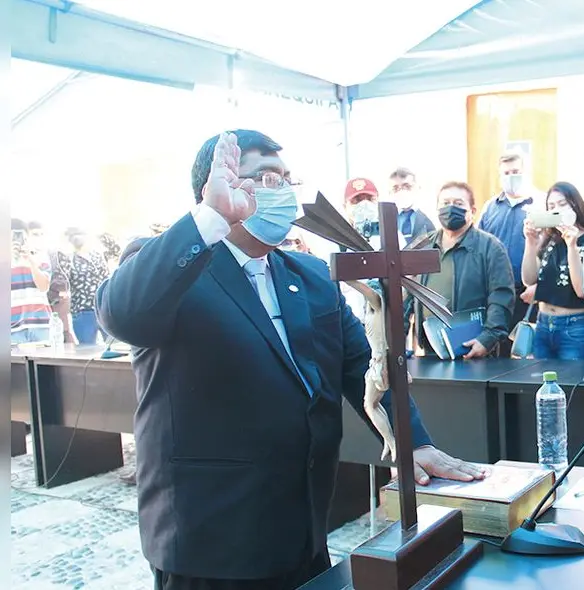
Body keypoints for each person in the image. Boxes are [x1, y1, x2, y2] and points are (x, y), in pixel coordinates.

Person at [96, 130, 485, 589]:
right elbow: (124, 314)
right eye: (264, 176)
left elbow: (359, 363)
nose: (280, 189)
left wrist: (411, 439)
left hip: (303, 533)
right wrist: (209, 220)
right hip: (210, 544)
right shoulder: (169, 263)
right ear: (214, 186)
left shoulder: (311, 275)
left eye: (286, 178)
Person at [405, 181, 516, 359]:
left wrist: (487, 339)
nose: (450, 208)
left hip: (474, 348)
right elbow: (407, 293)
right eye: (445, 203)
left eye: (458, 204)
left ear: (472, 211)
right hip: (430, 349)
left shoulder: (490, 247)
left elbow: (501, 296)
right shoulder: (422, 246)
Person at [519, 182, 584, 360]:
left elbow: (581, 290)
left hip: (576, 326)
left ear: (576, 205)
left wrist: (572, 246)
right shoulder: (550, 238)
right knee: (541, 383)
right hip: (543, 323)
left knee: (570, 382)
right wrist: (530, 242)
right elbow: (529, 279)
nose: (557, 210)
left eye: (563, 204)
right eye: (551, 206)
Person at [478, 151, 540, 332]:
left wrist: (540, 287)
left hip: (529, 294)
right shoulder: (490, 208)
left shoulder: (542, 204)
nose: (511, 177)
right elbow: (480, 246)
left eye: (516, 171)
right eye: (506, 173)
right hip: (495, 292)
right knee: (496, 346)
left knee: (527, 352)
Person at [58, 227, 110, 344]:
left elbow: (107, 278)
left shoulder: (97, 255)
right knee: (87, 351)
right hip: (83, 312)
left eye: (80, 233)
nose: (78, 237)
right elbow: (62, 281)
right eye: (73, 235)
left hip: (104, 309)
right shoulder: (67, 259)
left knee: (115, 346)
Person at [26, 220, 74, 343]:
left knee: (64, 335)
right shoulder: (19, 256)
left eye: (42, 234)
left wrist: (62, 294)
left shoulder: (53, 254)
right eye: (35, 234)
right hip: (28, 314)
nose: (39, 238)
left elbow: (64, 277)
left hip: (55, 301)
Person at [11, 218, 53, 345]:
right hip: (11, 327)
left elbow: (43, 287)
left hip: (40, 323)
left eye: (20, 235)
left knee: (45, 363)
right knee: (16, 365)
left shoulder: (40, 256)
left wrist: (31, 261)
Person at [387, 167, 436, 244]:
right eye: (396, 188)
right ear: (390, 192)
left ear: (417, 188)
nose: (401, 191)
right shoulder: (384, 220)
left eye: (407, 186)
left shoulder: (432, 218)